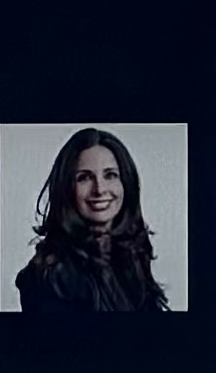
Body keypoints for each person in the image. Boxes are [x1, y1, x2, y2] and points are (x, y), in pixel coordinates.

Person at [15, 125, 170, 320]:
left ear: (126, 184)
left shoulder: (130, 255)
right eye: (84, 178)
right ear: (66, 188)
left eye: (110, 175)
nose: (99, 189)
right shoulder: (49, 276)